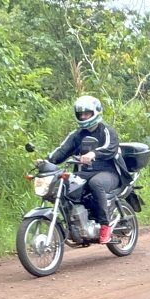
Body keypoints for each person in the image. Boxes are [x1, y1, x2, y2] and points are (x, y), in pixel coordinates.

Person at [44, 95, 121, 242]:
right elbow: (62, 151)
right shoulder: (76, 134)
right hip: (85, 172)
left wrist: (93, 153)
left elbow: (110, 148)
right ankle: (75, 223)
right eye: (81, 114)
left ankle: (105, 225)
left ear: (96, 112)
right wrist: (45, 161)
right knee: (65, 182)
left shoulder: (106, 131)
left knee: (95, 183)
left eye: (87, 113)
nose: (84, 116)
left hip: (109, 172)